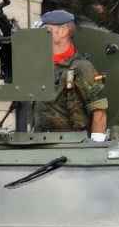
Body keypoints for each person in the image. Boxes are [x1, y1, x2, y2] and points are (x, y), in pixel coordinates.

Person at [31, 9, 108, 138]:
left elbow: (99, 111)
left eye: (46, 30)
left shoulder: (82, 67)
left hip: (71, 144)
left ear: (63, 31)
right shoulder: (41, 67)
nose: (41, 35)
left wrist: (96, 146)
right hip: (40, 141)